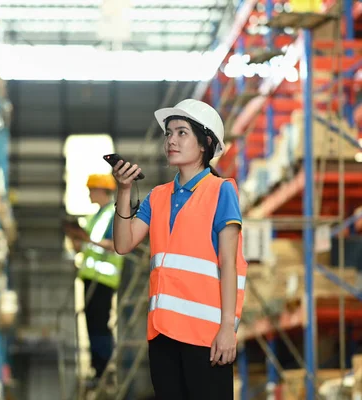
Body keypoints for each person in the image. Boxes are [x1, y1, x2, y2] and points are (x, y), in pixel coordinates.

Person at [110, 99, 248, 399]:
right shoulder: (158, 196)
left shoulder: (221, 191)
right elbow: (123, 244)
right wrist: (123, 191)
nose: (171, 140)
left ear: (205, 143)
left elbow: (229, 264)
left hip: (206, 337)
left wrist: (228, 328)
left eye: (182, 132)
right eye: (168, 133)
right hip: (162, 334)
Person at [64, 173, 125, 387]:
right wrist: (75, 238)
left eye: (92, 189)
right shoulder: (95, 217)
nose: (89, 193)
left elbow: (116, 244)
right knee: (92, 326)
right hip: (91, 278)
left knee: (99, 326)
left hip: (103, 279)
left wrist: (87, 239)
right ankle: (97, 369)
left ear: (102, 191)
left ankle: (104, 371)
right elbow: (86, 246)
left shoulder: (113, 215)